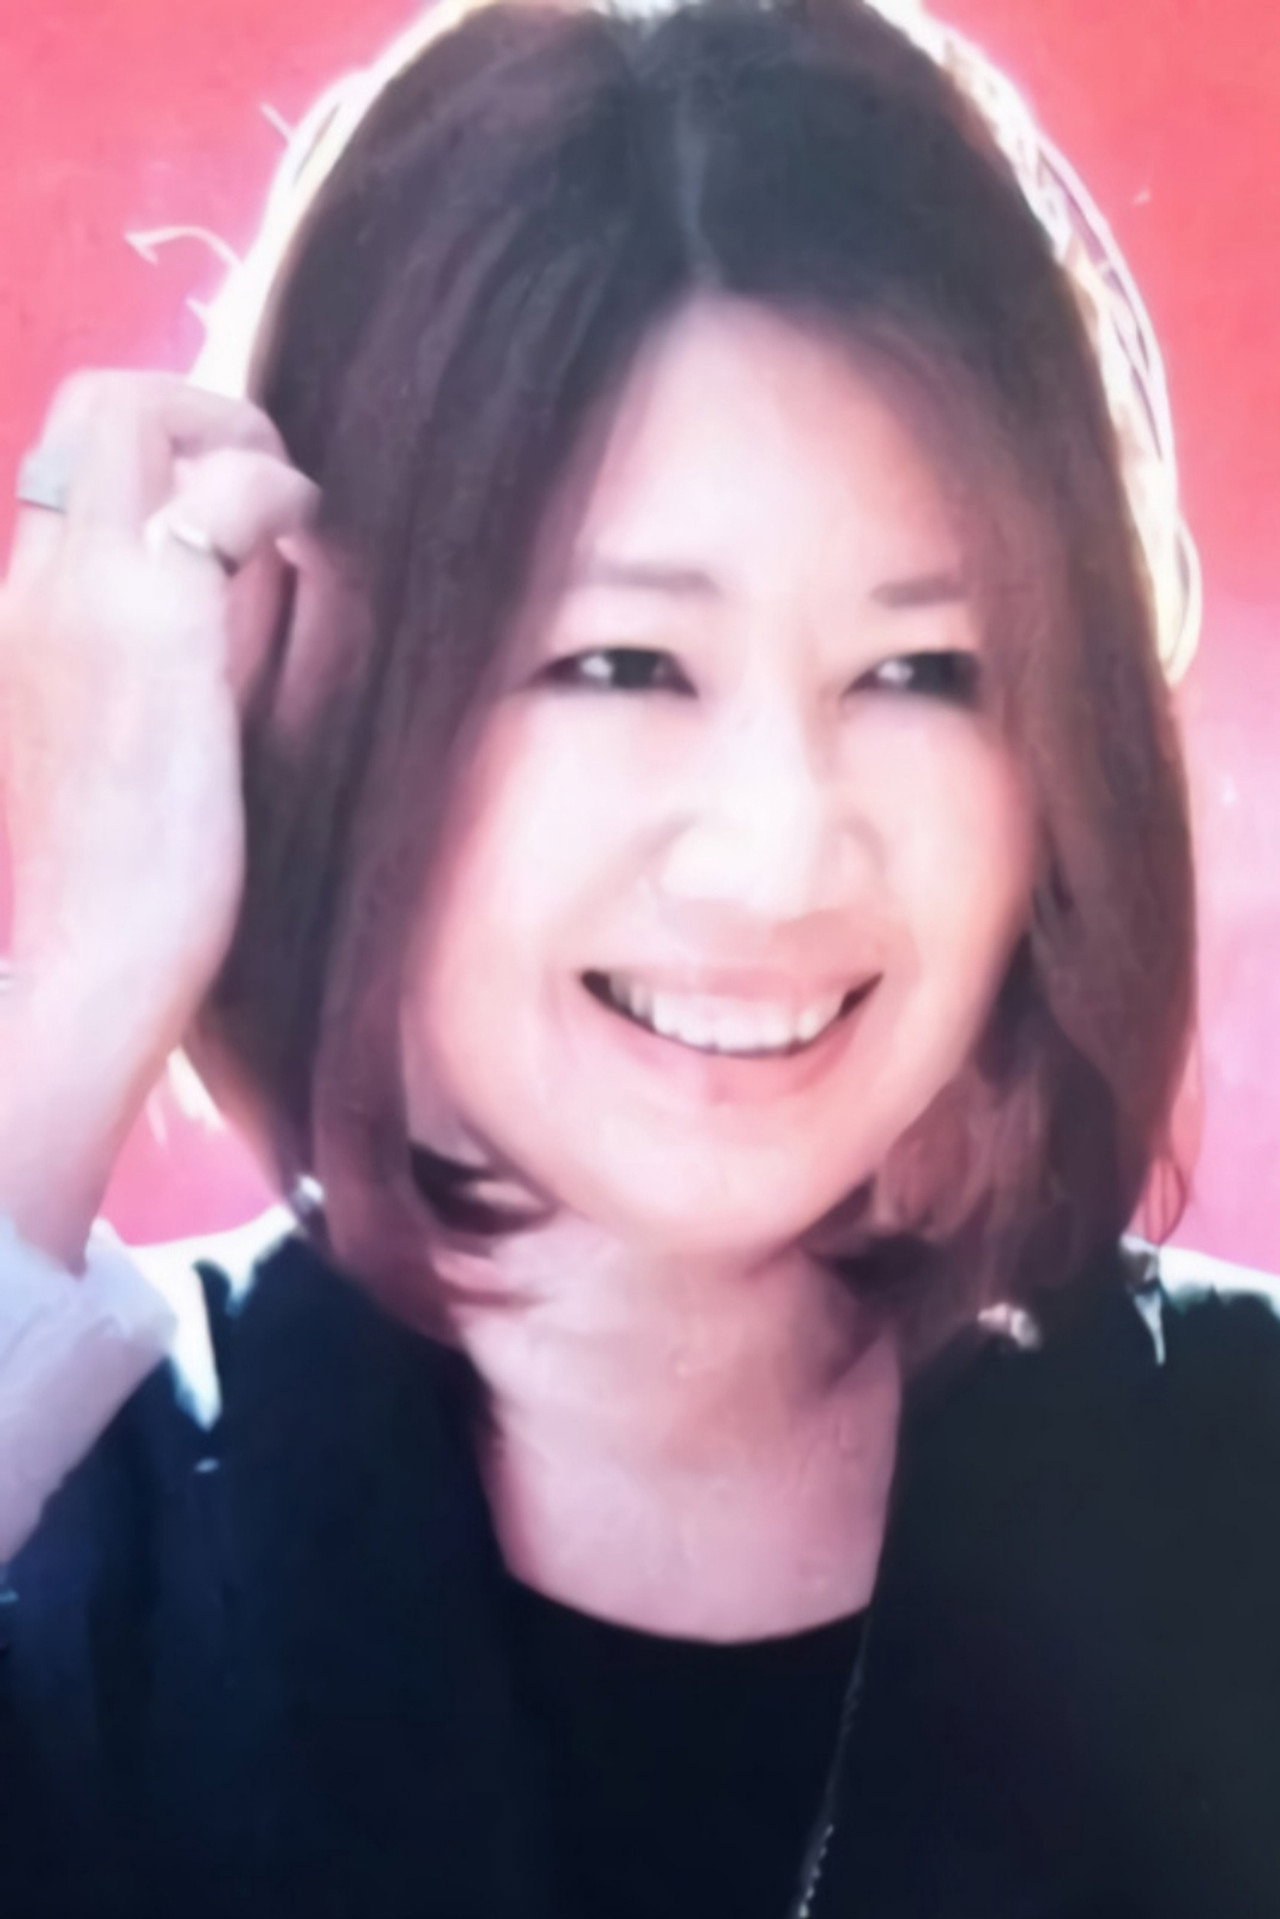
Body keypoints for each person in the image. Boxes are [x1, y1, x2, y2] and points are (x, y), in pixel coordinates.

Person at [1, 0, 1277, 1914]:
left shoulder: (1240, 1484)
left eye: (921, 671)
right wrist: (77, 987)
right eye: (621, 662)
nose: (779, 854)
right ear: (303, 676)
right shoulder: (76, 1506)